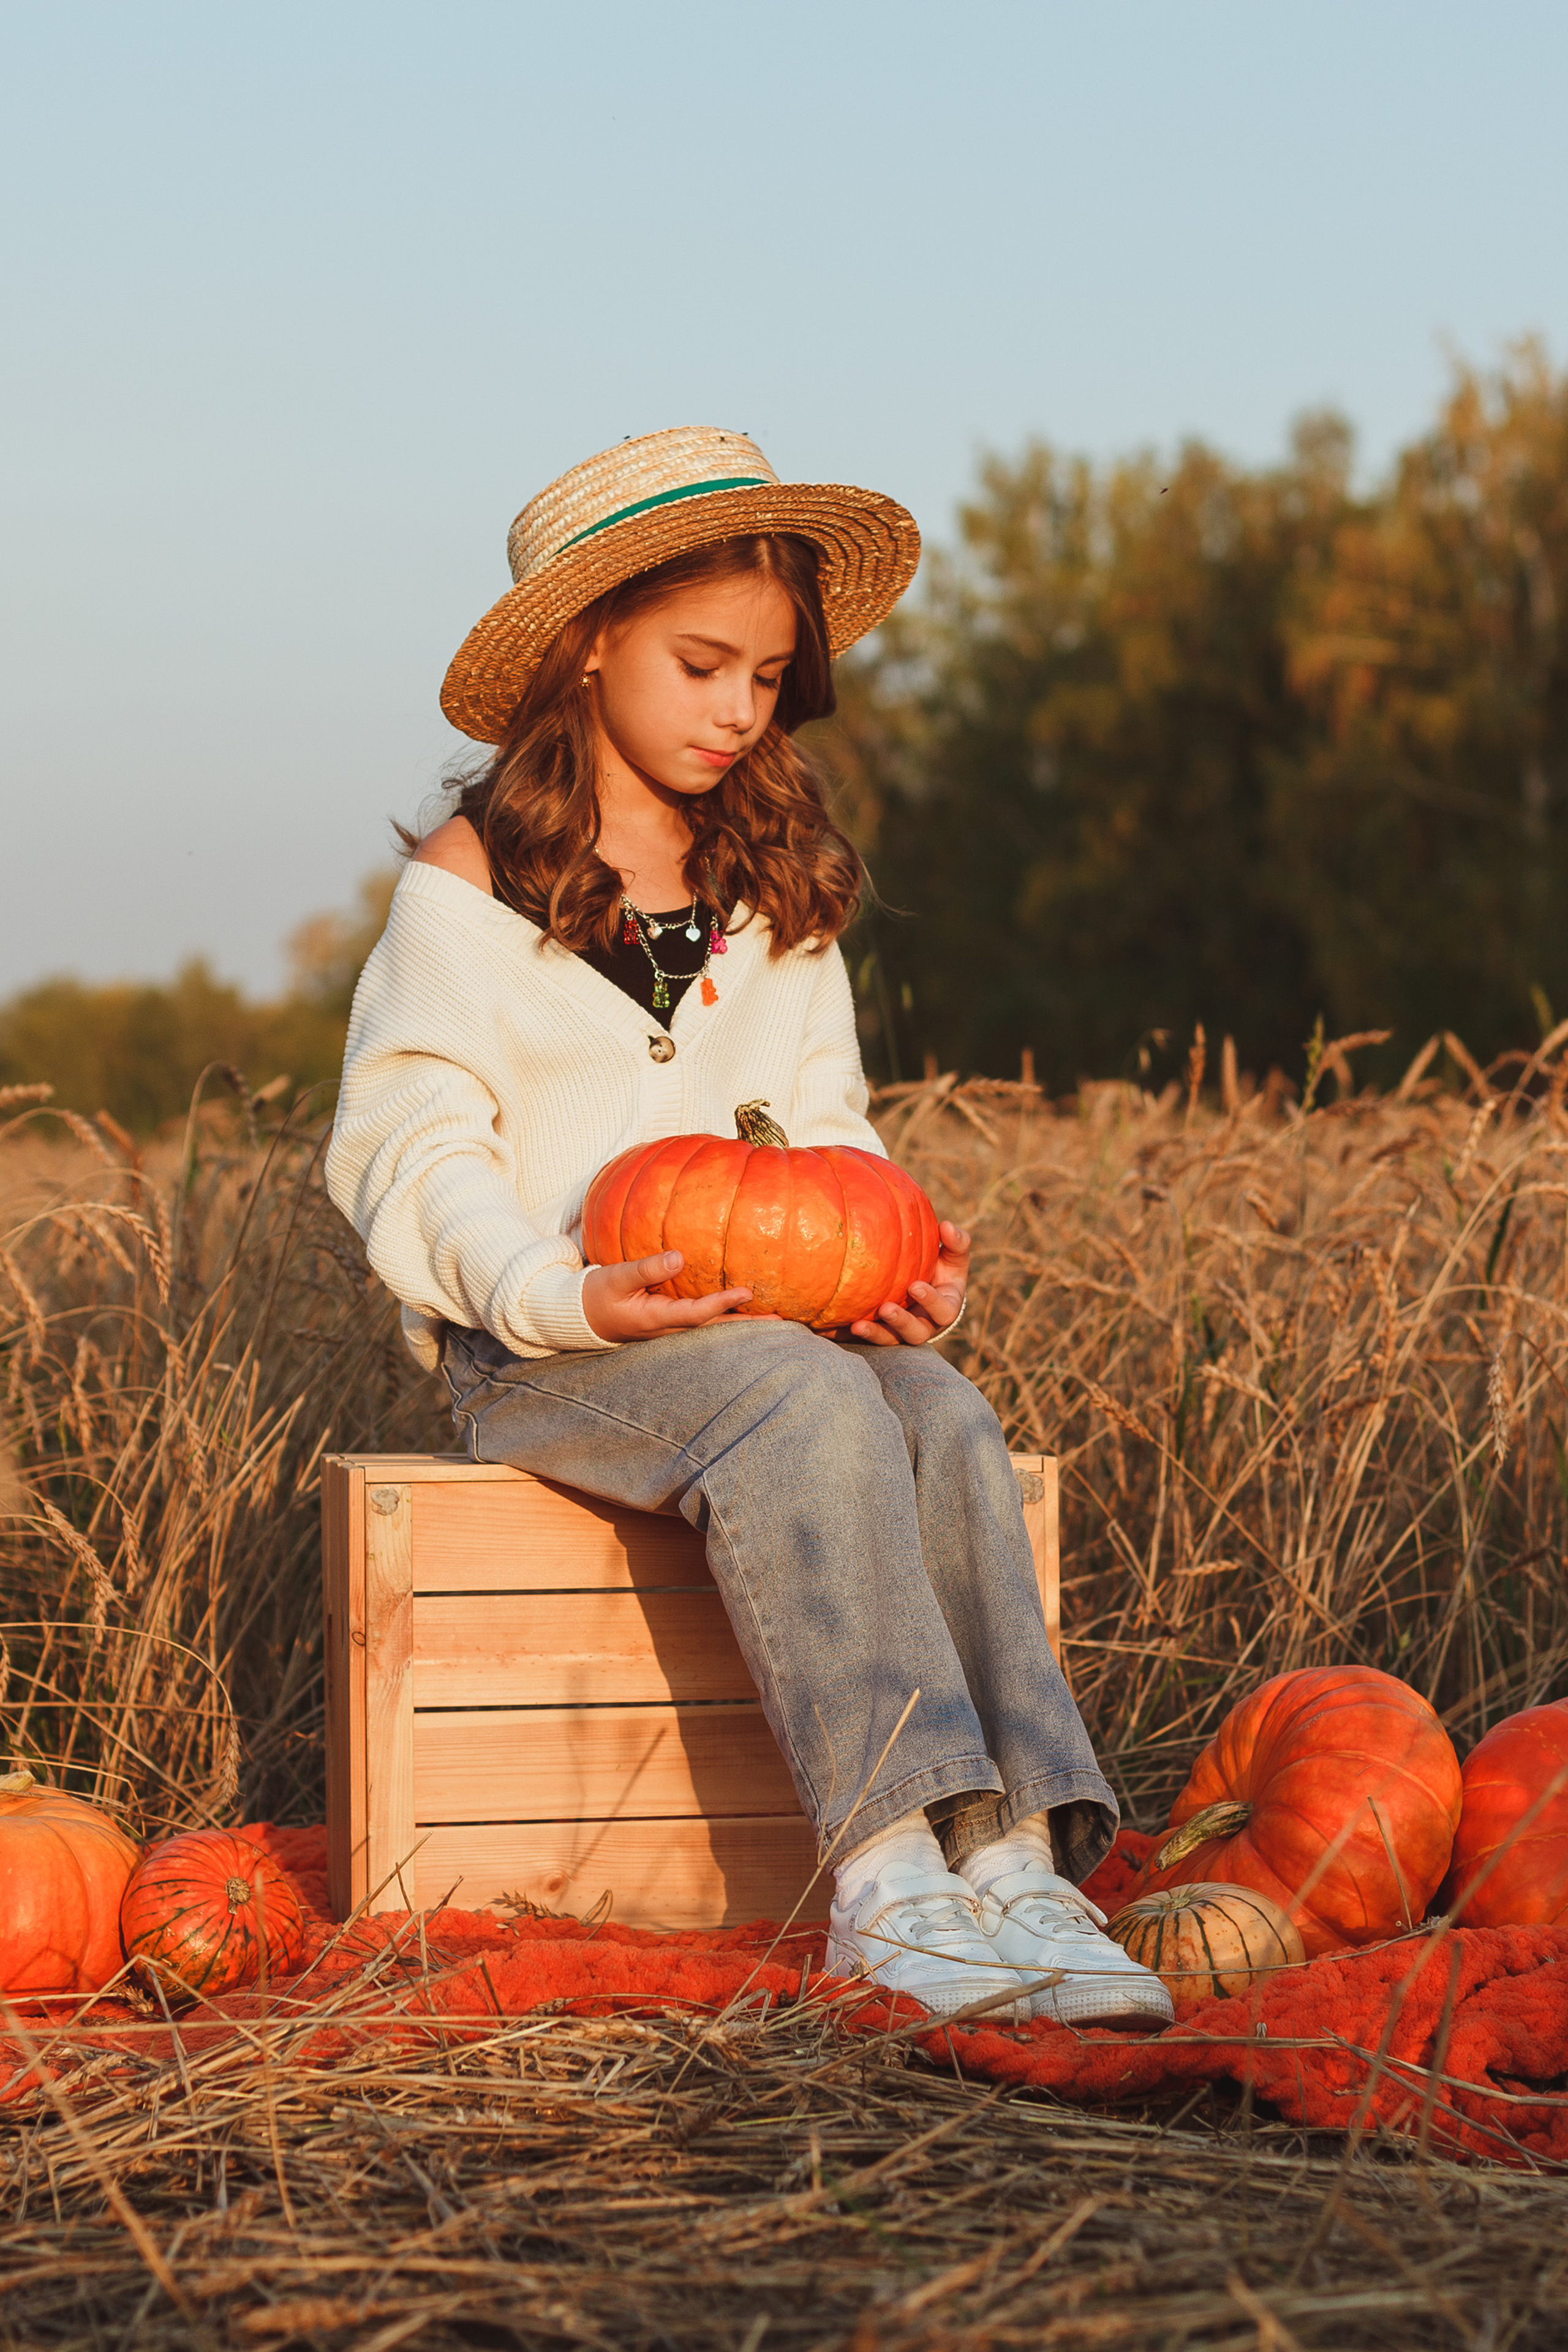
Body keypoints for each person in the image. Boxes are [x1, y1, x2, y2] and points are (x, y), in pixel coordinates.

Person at [325, 427, 1172, 2029]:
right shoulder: (473, 881)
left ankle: (1015, 1868)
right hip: (546, 1354)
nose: (738, 710)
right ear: (588, 645)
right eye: (702, 665)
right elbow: (413, 1147)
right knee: (798, 1400)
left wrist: (893, 1268)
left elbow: (827, 1131)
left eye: (770, 679)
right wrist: (555, 1289)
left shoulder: (771, 881)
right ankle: (888, 1880)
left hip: (772, 1339)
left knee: (938, 1408)